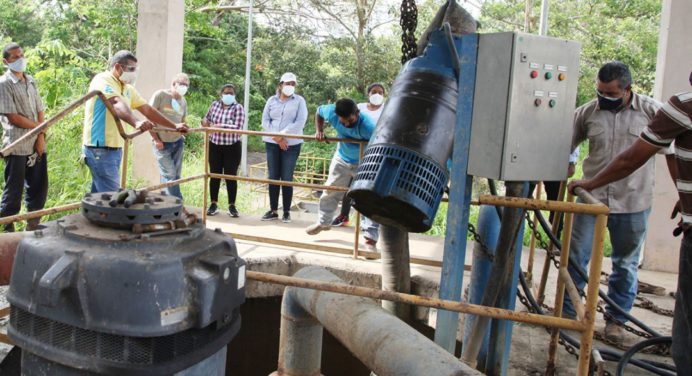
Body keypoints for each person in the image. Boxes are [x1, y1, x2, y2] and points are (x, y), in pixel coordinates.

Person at [567, 71, 691, 374]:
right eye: (600, 91)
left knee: (625, 263)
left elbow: (650, 159)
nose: (604, 97)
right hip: (590, 199)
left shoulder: (662, 109)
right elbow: (566, 143)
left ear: (627, 90)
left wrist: (682, 193)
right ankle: (570, 318)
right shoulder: (586, 113)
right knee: (576, 258)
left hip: (631, 201)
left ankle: (616, 322)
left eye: (610, 93)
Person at [82, 50, 188, 193]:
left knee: (100, 197)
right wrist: (136, 122)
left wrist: (174, 126)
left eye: (135, 70)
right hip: (99, 147)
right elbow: (115, 102)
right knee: (112, 196)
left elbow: (147, 110)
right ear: (118, 67)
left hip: (115, 147)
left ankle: (94, 214)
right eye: (131, 69)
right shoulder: (103, 79)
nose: (134, 73)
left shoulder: (127, 88)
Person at [305, 98, 379, 253]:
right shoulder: (331, 112)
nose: (346, 124)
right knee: (330, 190)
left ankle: (370, 239)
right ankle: (324, 222)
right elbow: (319, 111)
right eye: (343, 121)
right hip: (342, 158)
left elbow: (381, 146)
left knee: (368, 197)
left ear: (357, 113)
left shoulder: (369, 127)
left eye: (350, 120)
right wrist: (319, 130)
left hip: (365, 161)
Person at [0, 43, 48, 232]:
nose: (20, 60)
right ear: (6, 61)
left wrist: (40, 136)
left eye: (22, 55)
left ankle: (33, 223)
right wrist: (40, 128)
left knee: (38, 185)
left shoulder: (31, 80)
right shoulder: (4, 84)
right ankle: (7, 226)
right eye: (15, 57)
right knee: (14, 189)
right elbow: (13, 117)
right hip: (16, 143)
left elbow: (40, 109)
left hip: (35, 142)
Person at [332, 82, 385, 228]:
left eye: (380, 93)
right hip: (351, 153)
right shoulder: (359, 107)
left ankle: (366, 224)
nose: (377, 95)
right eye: (374, 91)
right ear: (368, 94)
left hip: (372, 153)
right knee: (348, 187)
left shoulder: (387, 109)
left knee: (366, 189)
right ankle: (344, 215)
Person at [260, 72, 308, 223]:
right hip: (272, 143)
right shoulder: (271, 100)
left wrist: (282, 135)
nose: (290, 86)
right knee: (273, 176)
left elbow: (300, 121)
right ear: (280, 85)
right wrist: (276, 137)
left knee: (286, 177)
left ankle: (286, 211)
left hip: (291, 145)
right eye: (287, 83)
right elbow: (265, 120)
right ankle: (273, 210)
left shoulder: (299, 101)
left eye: (293, 84)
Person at [202, 84, 245, 217]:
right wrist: (204, 122)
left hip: (232, 147)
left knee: (230, 176)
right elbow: (207, 119)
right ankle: (213, 204)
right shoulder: (214, 105)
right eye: (226, 93)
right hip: (215, 145)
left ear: (234, 95)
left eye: (231, 93)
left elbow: (238, 126)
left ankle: (232, 206)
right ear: (221, 94)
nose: (228, 95)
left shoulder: (238, 108)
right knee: (214, 175)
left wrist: (219, 126)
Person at [149, 73, 190, 200]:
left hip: (177, 142)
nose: (184, 87)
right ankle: (178, 203)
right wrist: (156, 139)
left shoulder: (183, 101)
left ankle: (166, 202)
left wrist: (183, 131)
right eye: (181, 84)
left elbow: (183, 120)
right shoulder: (160, 95)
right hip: (162, 142)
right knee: (170, 174)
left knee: (174, 175)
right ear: (173, 84)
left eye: (186, 85)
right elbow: (148, 116)